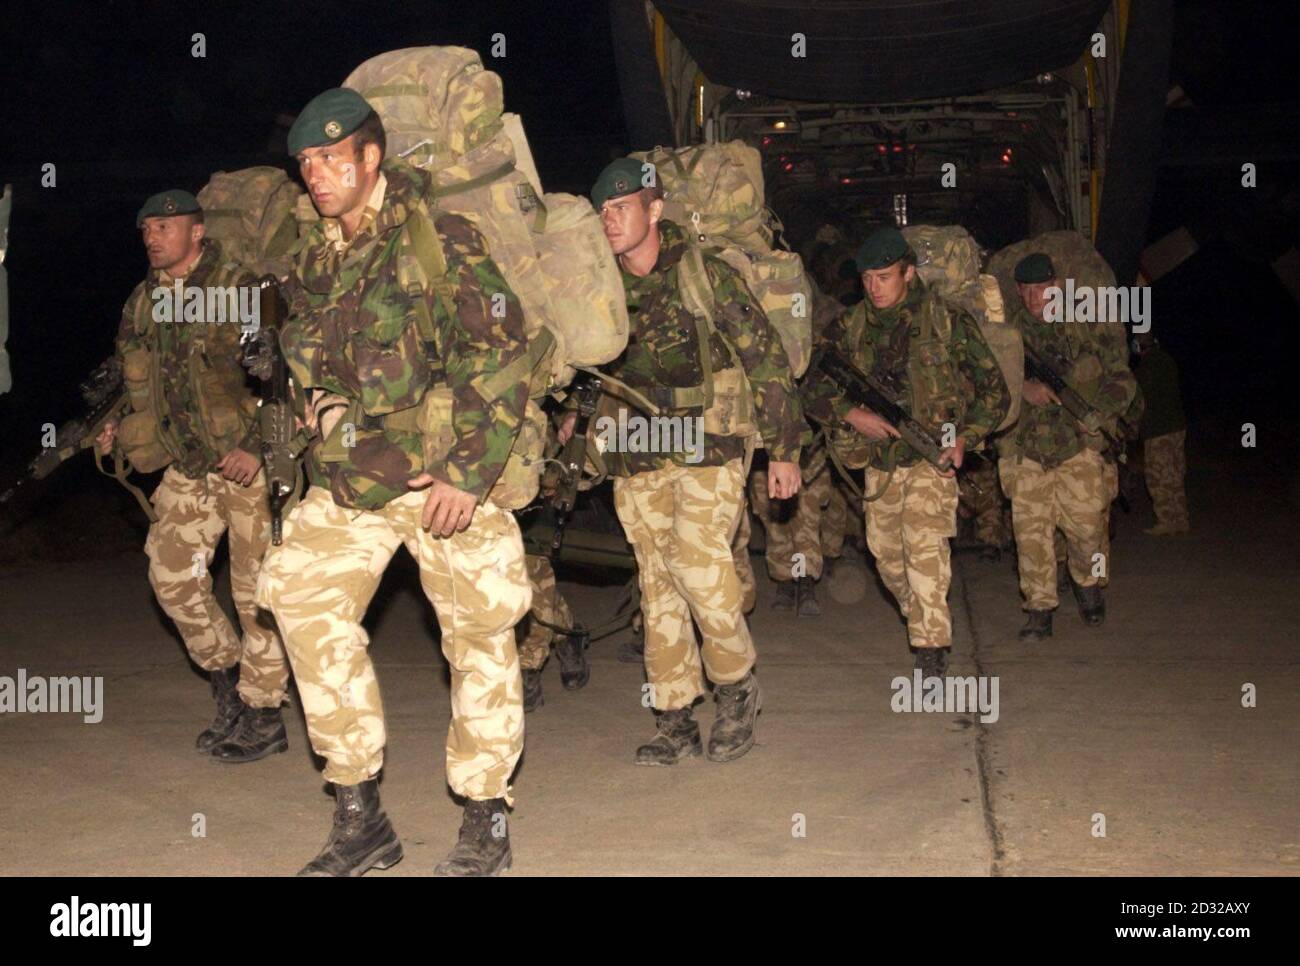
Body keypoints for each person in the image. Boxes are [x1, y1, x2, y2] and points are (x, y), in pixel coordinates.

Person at [255, 88, 532, 877]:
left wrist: (468, 474)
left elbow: (502, 353)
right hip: (355, 479)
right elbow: (310, 362)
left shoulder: (436, 236)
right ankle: (359, 810)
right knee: (298, 596)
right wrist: (311, 400)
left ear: (370, 157)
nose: (314, 174)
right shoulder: (314, 259)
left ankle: (485, 816)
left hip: (444, 473)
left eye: (330, 158)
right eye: (304, 163)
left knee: (478, 632)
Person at [569, 157, 805, 765]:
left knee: (699, 566)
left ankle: (735, 688)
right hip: (636, 450)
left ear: (653, 210)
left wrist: (783, 450)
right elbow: (587, 369)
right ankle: (673, 715)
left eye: (620, 209)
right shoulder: (604, 288)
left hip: (710, 443)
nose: (609, 221)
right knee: (657, 580)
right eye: (602, 212)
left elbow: (765, 359)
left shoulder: (703, 273)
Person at [97, 189, 289, 763]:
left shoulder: (243, 290)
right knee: (172, 577)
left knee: (256, 593)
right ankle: (227, 680)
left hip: (246, 467)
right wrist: (115, 423)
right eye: (146, 228)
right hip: (189, 463)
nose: (153, 237)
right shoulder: (144, 301)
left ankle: (264, 713)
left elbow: (289, 376)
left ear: (198, 232)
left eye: (165, 225)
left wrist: (258, 447)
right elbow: (133, 375)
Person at [802, 227, 1009, 676]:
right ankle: (923, 618)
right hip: (880, 465)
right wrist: (850, 414)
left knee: (925, 553)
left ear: (909, 272)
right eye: (867, 279)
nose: (874, 288)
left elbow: (995, 391)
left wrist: (964, 438)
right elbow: (809, 386)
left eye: (885, 277)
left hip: (931, 461)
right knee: (888, 559)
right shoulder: (848, 328)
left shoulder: (947, 322)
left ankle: (930, 655)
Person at [997, 253, 1138, 641]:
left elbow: (1123, 380)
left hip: (1078, 447)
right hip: (1028, 448)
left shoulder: (1087, 328)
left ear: (1057, 286)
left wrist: (1095, 411)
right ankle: (1039, 609)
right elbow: (989, 387)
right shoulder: (1008, 337)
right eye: (1025, 289)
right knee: (1030, 534)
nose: (1032, 297)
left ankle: (1086, 582)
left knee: (1089, 530)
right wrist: (1022, 389)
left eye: (1040, 288)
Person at [1132, 331, 1189, 534]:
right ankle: (1180, 519)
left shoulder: (1146, 368)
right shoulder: (1167, 360)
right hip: (1176, 427)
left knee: (1158, 477)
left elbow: (1137, 399)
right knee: (1174, 474)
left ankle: (1166, 520)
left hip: (1158, 430)